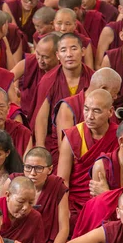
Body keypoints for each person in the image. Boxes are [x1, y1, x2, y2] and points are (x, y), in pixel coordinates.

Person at [58, 89, 119, 229]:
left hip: (108, 200)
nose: (89, 116)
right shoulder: (73, 135)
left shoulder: (119, 136)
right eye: (86, 109)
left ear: (110, 112)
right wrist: (64, 210)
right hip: (76, 204)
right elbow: (62, 180)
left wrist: (108, 195)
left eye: (96, 111)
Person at [32, 33, 95, 166]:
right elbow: (41, 117)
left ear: (83, 51)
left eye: (73, 48)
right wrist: (40, 146)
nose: (69, 54)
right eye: (63, 50)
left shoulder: (93, 79)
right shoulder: (49, 80)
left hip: (88, 140)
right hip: (55, 143)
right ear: (57, 55)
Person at [13, 33, 59, 119]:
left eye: (45, 57)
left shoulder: (64, 72)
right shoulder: (31, 61)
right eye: (38, 53)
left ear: (58, 55)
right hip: (25, 114)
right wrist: (14, 90)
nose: (40, 60)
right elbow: (7, 78)